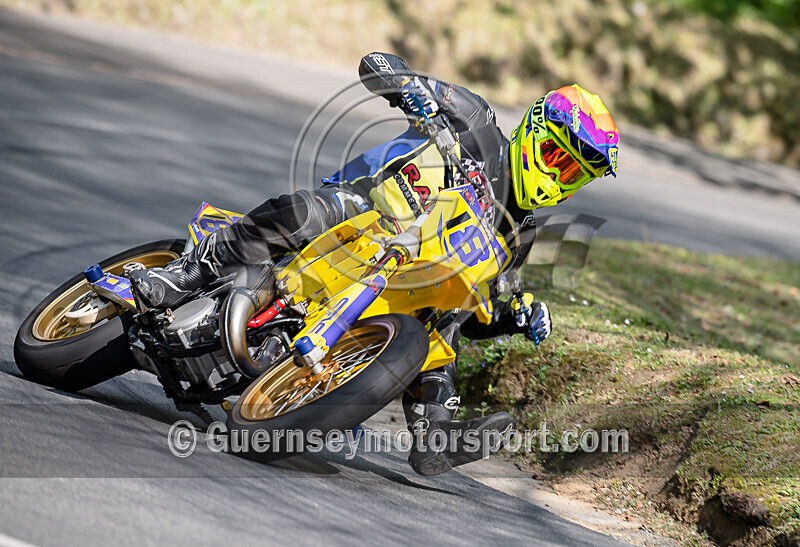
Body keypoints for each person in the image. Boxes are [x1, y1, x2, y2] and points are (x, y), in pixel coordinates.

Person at [131, 52, 620, 476]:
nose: (558, 175)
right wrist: (407, 87)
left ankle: (435, 432)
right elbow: (377, 64)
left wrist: (513, 316)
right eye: (557, 155)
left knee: (445, 322)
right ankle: (187, 273)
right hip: (363, 214)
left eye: (574, 173)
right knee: (310, 212)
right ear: (534, 129)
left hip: (405, 280)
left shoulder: (520, 234)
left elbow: (477, 313)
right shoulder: (475, 121)